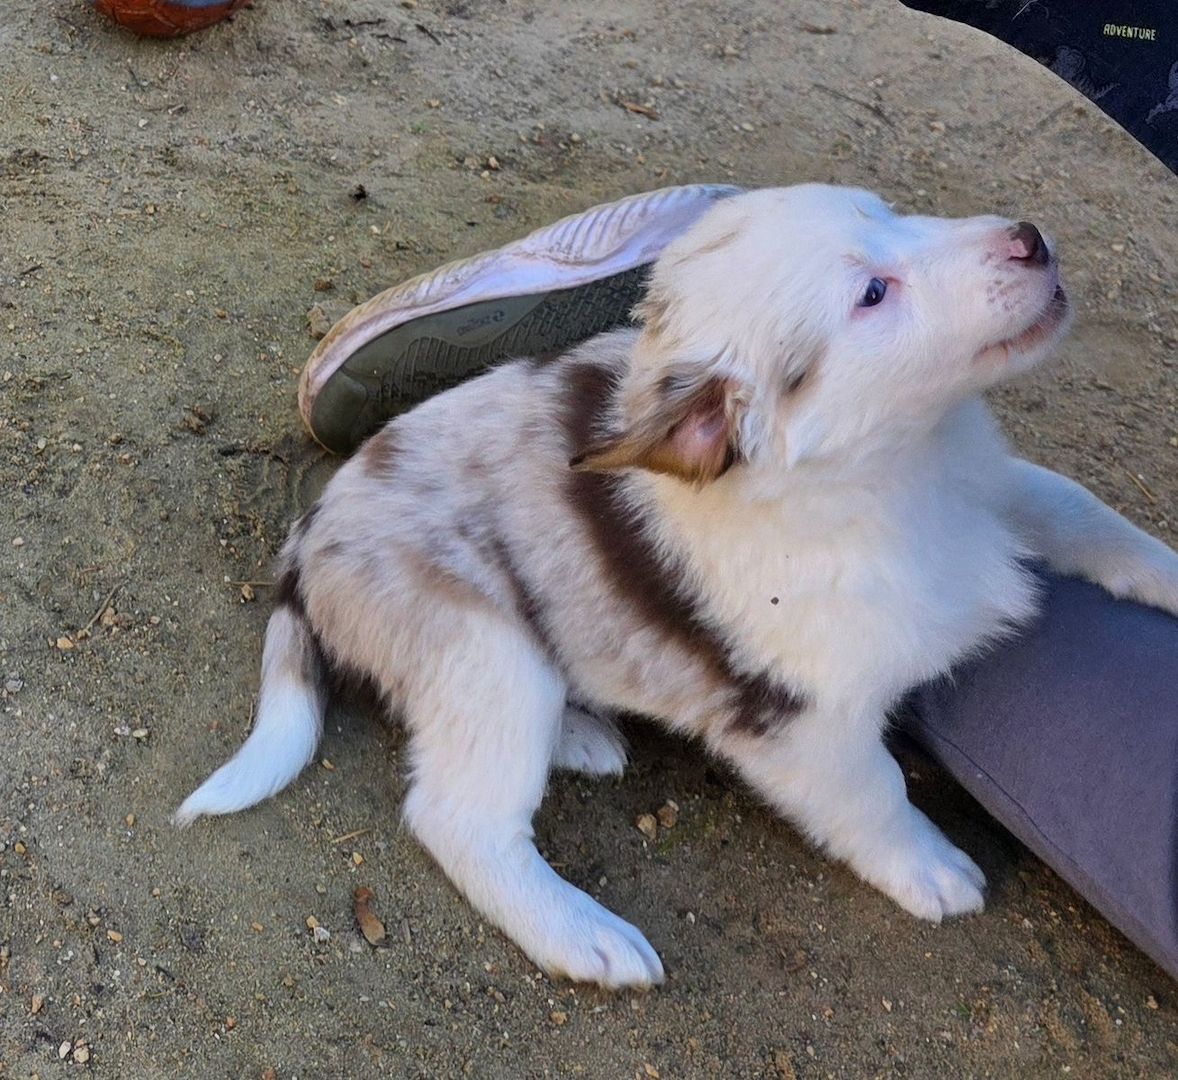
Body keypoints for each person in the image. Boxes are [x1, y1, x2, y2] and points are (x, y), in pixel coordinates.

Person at [295, 186, 1178, 982]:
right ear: (728, 430)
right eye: (874, 293)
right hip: (409, 558)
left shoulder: (883, 449)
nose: (1003, 241)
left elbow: (1014, 495)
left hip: (512, 492)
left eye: (885, 213)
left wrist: (1133, 557)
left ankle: (557, 692)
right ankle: (480, 837)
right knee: (507, 678)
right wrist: (888, 836)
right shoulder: (797, 597)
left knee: (996, 510)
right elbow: (807, 743)